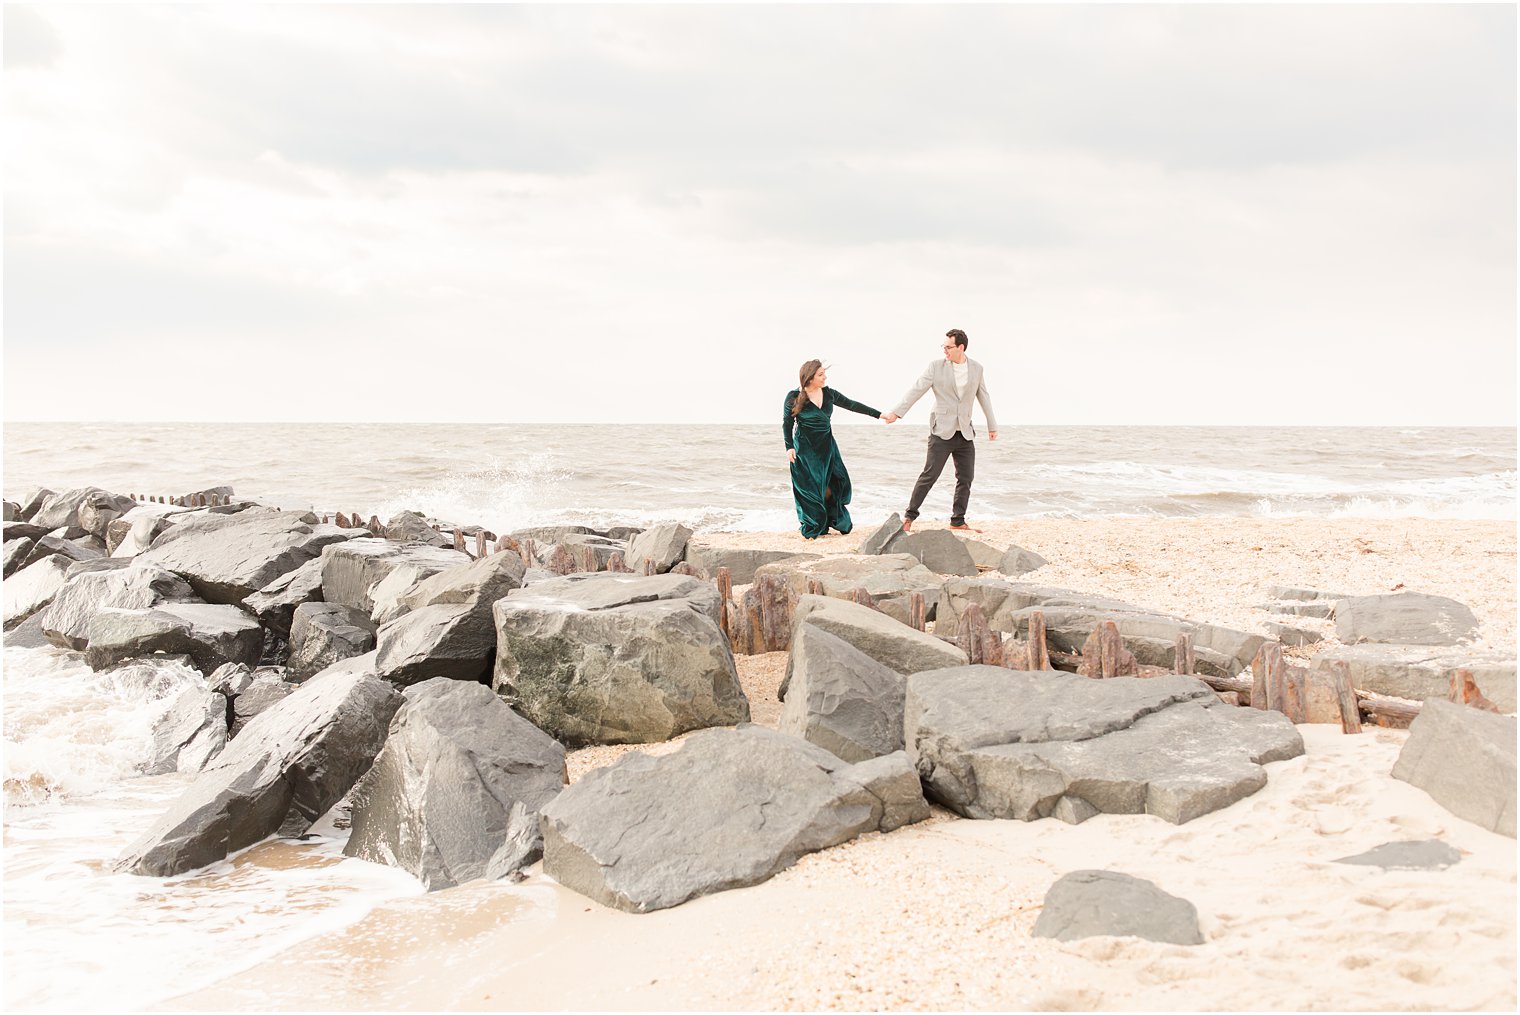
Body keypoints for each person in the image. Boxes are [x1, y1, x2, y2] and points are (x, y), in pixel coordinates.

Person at [881, 328, 998, 532]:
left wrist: (992, 426)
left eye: (948, 347)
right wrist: (896, 413)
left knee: (966, 478)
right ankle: (909, 517)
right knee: (929, 475)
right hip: (941, 431)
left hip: (965, 431)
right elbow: (916, 389)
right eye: (943, 347)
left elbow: (983, 396)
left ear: (960, 347)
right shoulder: (936, 367)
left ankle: (958, 520)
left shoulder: (977, 368)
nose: (945, 350)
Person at [783, 359, 886, 539]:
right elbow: (787, 423)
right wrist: (789, 447)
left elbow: (852, 405)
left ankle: (834, 519)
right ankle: (816, 523)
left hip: (828, 448)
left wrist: (879, 414)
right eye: (821, 374)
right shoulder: (793, 397)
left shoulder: (829, 394)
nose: (825, 377)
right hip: (805, 450)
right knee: (811, 489)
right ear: (810, 377)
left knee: (836, 483)